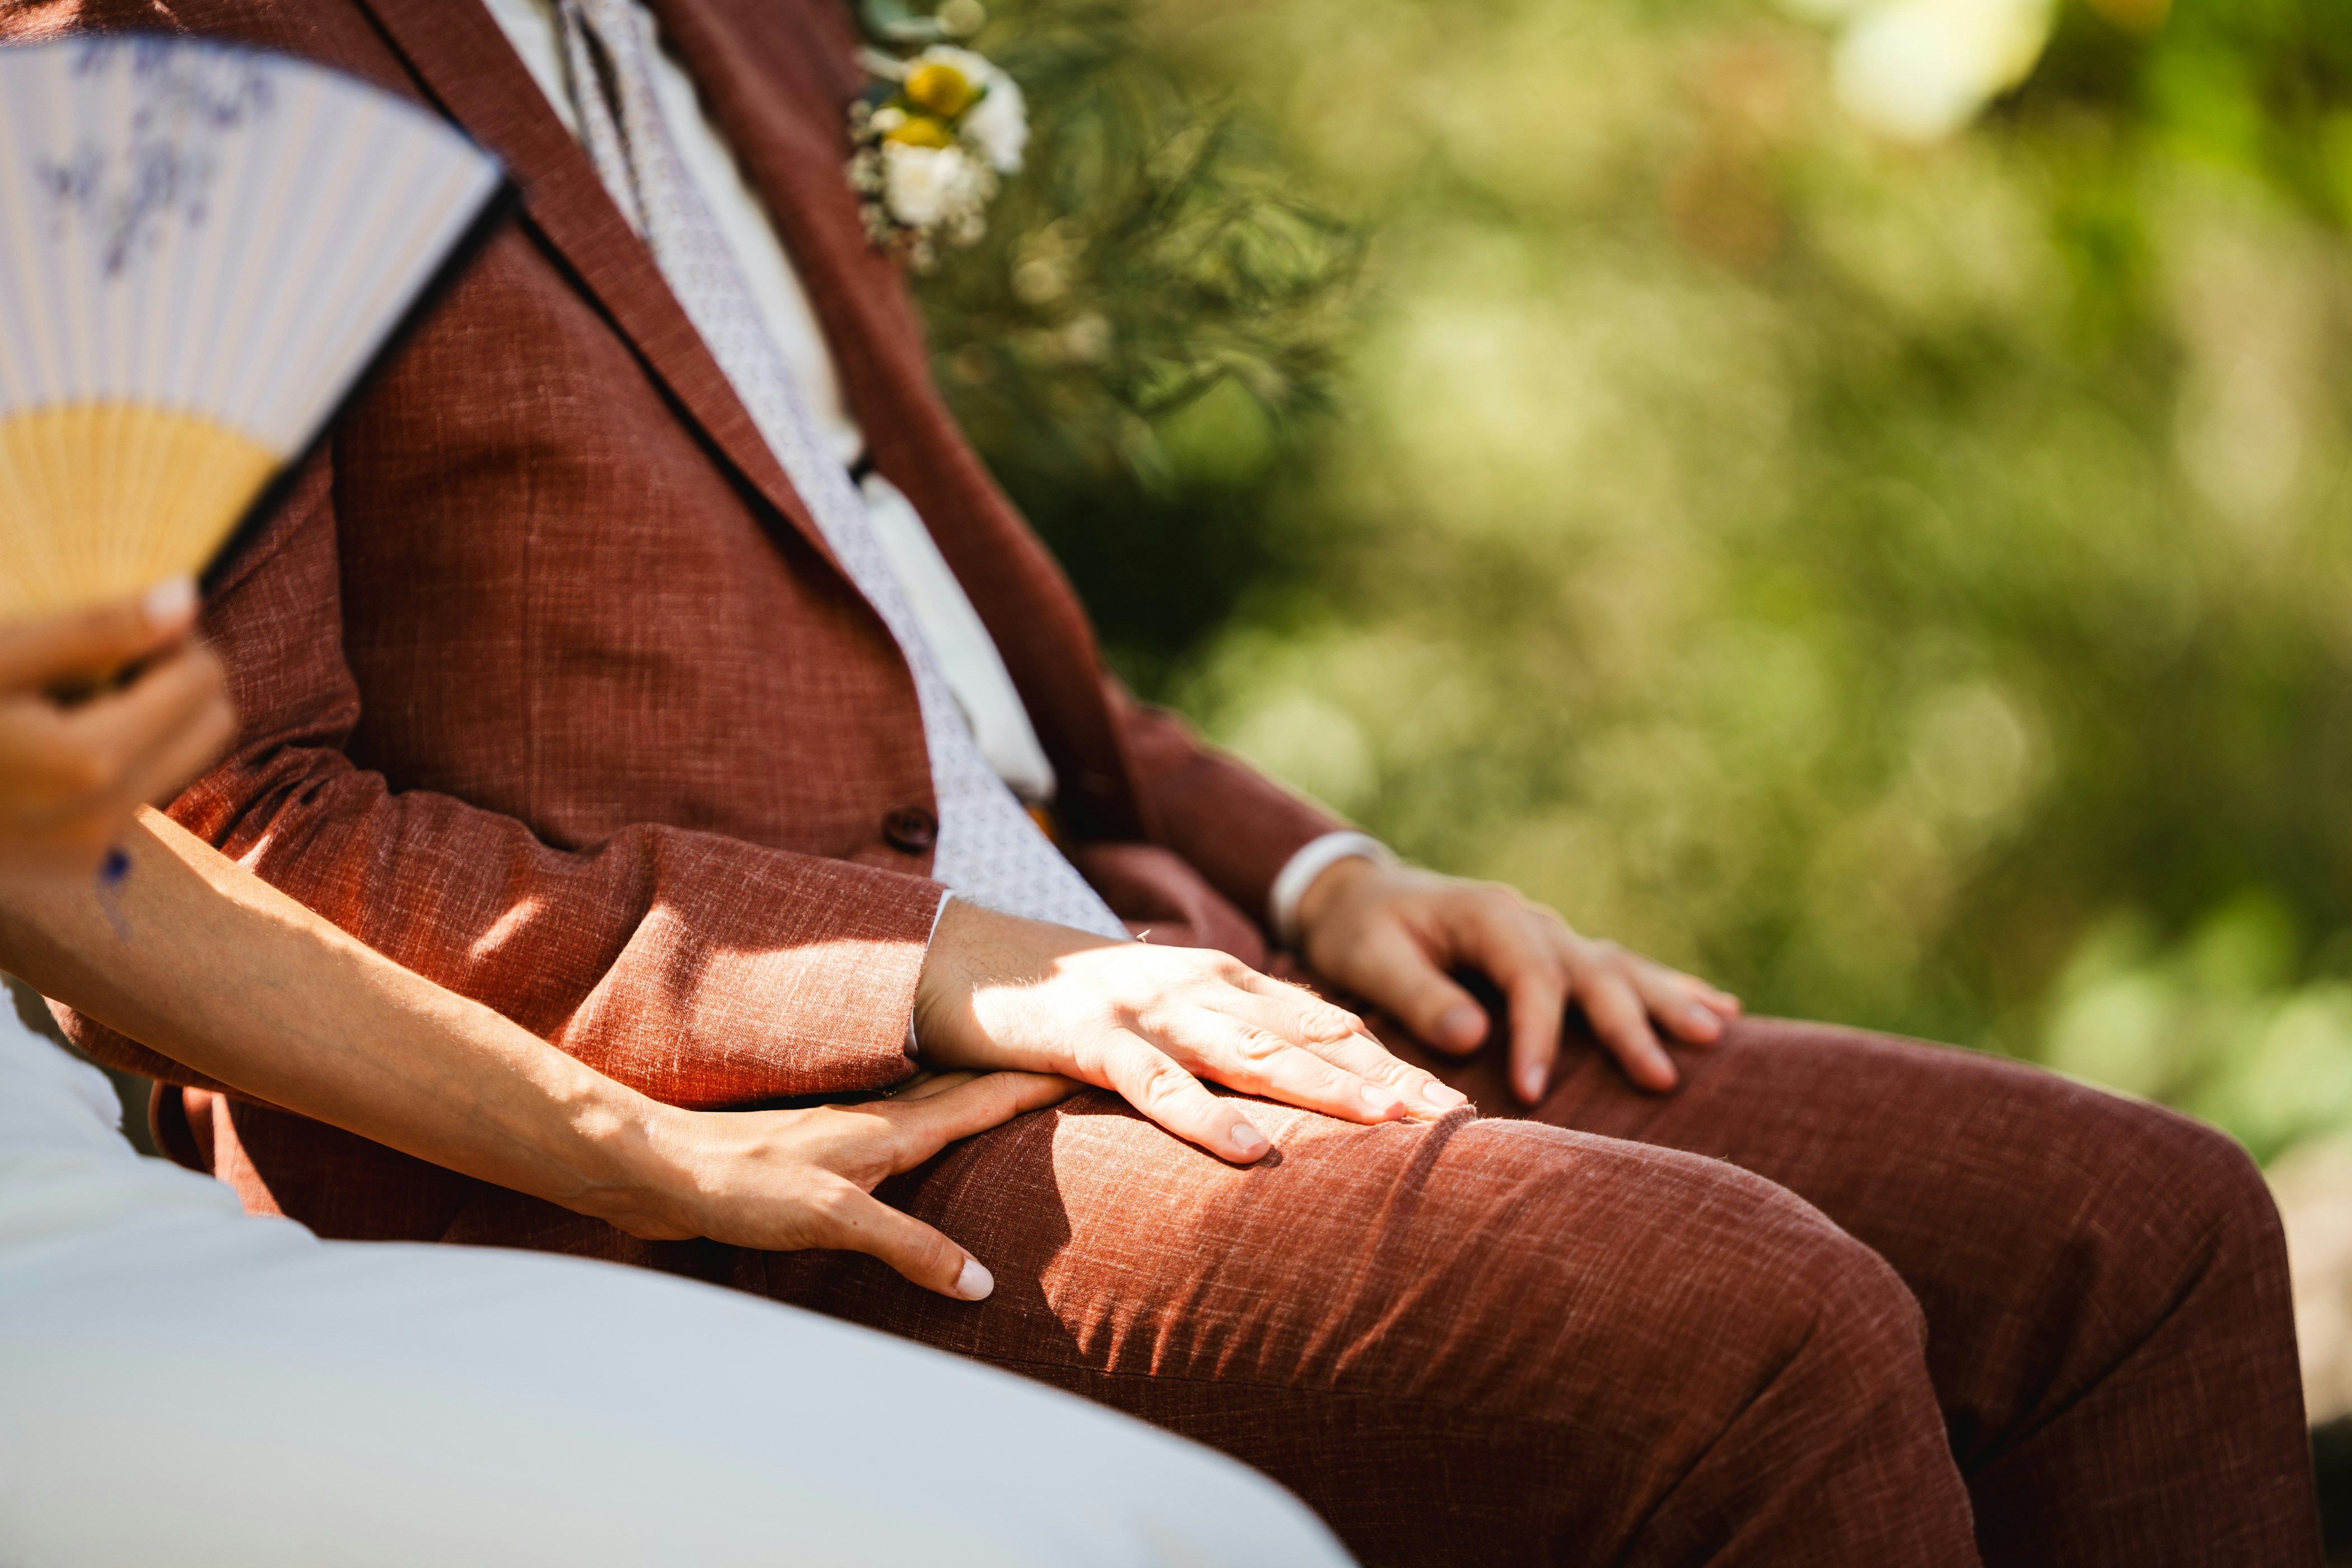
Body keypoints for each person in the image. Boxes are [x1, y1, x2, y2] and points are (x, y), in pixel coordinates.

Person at [11, 0, 2318, 1561]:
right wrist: (962, 979)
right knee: (1746, 1326)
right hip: (736, 1106)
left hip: (1165, 954)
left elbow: (904, 592)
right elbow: (238, 838)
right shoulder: (157, 62)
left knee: (2146, 1226)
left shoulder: (756, 21)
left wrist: (1320, 871)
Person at [0, 585, 1355, 1566]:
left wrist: (650, 1146)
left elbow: (79, 874)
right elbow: (234, 837)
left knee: (1190, 1531)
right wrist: (647, 1144)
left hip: (88, 1218)